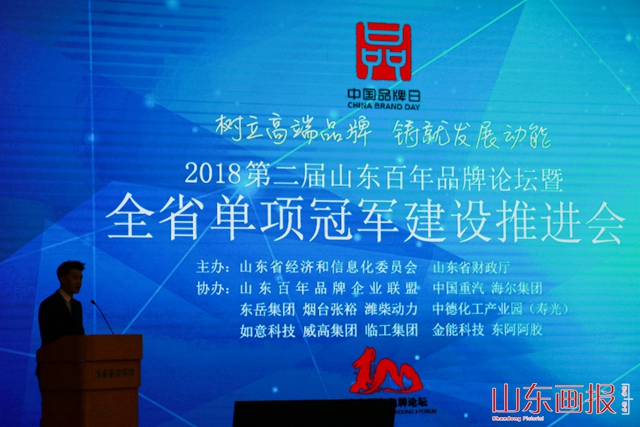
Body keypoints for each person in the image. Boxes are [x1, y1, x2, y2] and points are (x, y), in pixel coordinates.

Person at [38, 260, 86, 349]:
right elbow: (48, 337)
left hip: (74, 356)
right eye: (75, 277)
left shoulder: (77, 305)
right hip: (55, 355)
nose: (79, 282)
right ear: (63, 279)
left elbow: (80, 334)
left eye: (80, 278)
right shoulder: (48, 304)